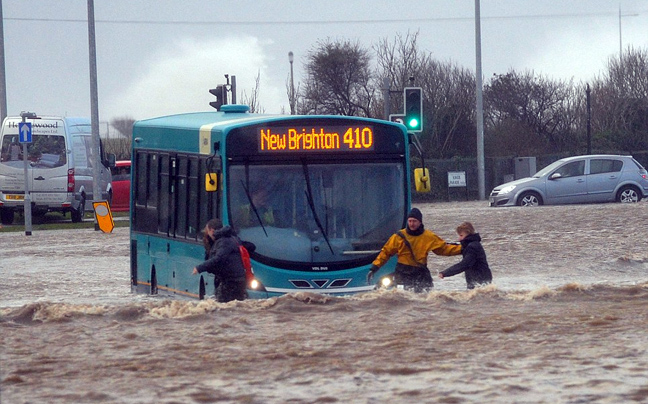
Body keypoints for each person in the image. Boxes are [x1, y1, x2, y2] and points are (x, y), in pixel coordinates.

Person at [366, 207, 462, 292]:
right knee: (396, 294)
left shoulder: (429, 236)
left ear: (420, 222)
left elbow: (444, 249)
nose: (412, 224)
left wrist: (463, 249)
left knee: (423, 298)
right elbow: (386, 253)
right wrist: (374, 267)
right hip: (402, 272)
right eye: (410, 221)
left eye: (414, 221)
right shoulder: (398, 237)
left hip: (420, 273)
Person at [192, 218, 247, 302]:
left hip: (230, 281)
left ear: (212, 230)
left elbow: (218, 258)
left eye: (207, 231)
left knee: (222, 307)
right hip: (236, 280)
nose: (207, 233)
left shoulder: (223, 241)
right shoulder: (231, 238)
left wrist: (199, 268)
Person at [439, 222, 493, 289]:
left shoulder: (472, 247)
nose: (459, 238)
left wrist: (445, 273)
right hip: (481, 278)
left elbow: (464, 264)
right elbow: (459, 246)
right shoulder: (472, 244)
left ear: (468, 235)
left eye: (461, 235)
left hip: (479, 279)